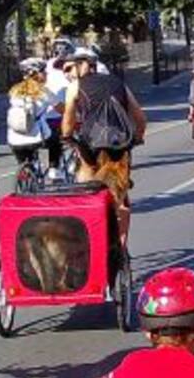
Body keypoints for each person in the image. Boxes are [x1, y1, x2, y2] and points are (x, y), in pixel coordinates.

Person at [61, 49, 147, 247]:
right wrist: (138, 137)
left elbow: (68, 118)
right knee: (121, 199)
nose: (68, 74)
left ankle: (88, 235)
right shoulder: (118, 83)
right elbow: (140, 117)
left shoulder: (75, 86)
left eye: (70, 68)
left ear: (83, 65)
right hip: (120, 144)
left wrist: (66, 136)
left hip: (90, 144)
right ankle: (121, 246)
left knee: (85, 182)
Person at [6, 58, 63, 176]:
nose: (46, 74)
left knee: (25, 158)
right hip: (37, 137)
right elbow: (62, 109)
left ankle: (26, 172)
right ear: (37, 74)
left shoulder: (14, 91)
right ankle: (54, 169)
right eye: (44, 72)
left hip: (14, 137)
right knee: (56, 139)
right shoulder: (43, 91)